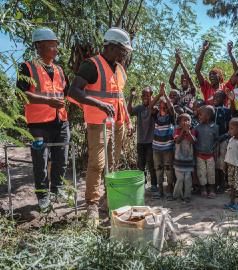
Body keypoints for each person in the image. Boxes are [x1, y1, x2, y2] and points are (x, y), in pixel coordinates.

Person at [69, 27, 134, 223]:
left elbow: (119, 98)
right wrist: (99, 104)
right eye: (123, 50)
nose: (124, 54)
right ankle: (92, 206)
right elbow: (73, 92)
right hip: (98, 123)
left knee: (113, 164)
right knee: (97, 164)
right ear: (112, 47)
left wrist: (128, 121)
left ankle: (109, 199)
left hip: (118, 123)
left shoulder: (120, 69)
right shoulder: (92, 65)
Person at [17, 28, 70, 211]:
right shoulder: (27, 68)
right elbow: (20, 94)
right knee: (40, 161)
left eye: (56, 45)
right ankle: (43, 196)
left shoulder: (59, 70)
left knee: (61, 159)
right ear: (39, 46)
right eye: (51, 45)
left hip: (61, 122)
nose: (56, 49)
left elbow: (67, 94)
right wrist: (48, 101)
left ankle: (57, 190)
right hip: (38, 125)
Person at [127, 86, 157, 192]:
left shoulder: (154, 108)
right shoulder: (139, 108)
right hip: (140, 141)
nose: (145, 97)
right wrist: (131, 96)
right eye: (143, 95)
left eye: (147, 95)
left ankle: (154, 185)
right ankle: (142, 184)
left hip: (151, 141)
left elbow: (153, 110)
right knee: (141, 164)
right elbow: (129, 111)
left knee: (151, 163)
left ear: (151, 96)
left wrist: (152, 100)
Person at [150, 83, 175, 200]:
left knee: (168, 169)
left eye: (164, 107)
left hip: (167, 148)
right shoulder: (156, 116)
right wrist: (159, 94)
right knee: (158, 169)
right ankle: (160, 190)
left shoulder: (170, 117)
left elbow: (171, 108)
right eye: (160, 107)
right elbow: (150, 106)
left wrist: (164, 94)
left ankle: (169, 189)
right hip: (156, 148)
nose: (162, 109)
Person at [195, 41, 234, 105]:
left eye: (214, 73)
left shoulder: (225, 87)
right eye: (210, 74)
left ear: (220, 76)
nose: (211, 76)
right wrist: (203, 51)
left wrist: (230, 53)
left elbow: (237, 71)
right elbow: (197, 70)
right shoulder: (206, 87)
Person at [195, 105, 219, 198]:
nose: (199, 116)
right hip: (200, 155)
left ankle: (212, 189)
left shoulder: (215, 127)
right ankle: (203, 189)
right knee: (201, 173)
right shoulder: (197, 127)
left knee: (211, 173)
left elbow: (216, 140)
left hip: (210, 155)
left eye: (200, 115)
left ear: (208, 116)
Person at [224, 117, 238, 212]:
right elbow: (228, 153)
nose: (229, 130)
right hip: (230, 166)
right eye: (229, 128)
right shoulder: (231, 140)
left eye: (231, 128)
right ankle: (232, 202)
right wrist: (225, 164)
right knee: (232, 185)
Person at [173, 113, 197, 202]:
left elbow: (193, 141)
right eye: (184, 120)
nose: (187, 122)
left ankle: (187, 196)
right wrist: (183, 130)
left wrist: (188, 131)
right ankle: (177, 195)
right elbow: (177, 141)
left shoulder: (192, 131)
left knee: (188, 179)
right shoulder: (177, 130)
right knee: (180, 179)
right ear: (179, 123)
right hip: (178, 160)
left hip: (188, 160)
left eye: (188, 120)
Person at [213, 90, 231, 193]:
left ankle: (223, 184)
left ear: (224, 100)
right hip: (212, 140)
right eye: (214, 97)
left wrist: (223, 137)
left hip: (223, 139)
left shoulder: (227, 111)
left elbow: (229, 127)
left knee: (222, 162)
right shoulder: (210, 110)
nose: (215, 99)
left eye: (218, 97)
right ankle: (215, 183)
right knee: (214, 162)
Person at [169, 49, 196, 113]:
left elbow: (189, 77)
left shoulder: (192, 90)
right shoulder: (177, 91)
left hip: (188, 116)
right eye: (182, 78)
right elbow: (171, 81)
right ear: (180, 81)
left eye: (185, 78)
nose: (184, 79)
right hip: (177, 115)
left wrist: (181, 62)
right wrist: (176, 64)